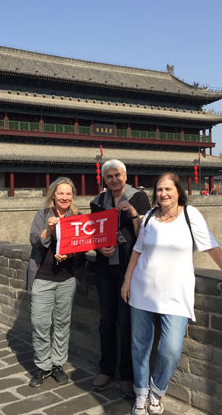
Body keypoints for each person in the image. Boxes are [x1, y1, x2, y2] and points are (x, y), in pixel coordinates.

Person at [121, 172, 222, 415]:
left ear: (178, 191)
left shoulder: (190, 215)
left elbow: (211, 245)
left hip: (176, 294)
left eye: (168, 189)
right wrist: (127, 282)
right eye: (159, 190)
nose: (163, 194)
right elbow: (137, 250)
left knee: (170, 348)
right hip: (142, 290)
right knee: (139, 346)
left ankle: (156, 392)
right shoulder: (148, 219)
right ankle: (141, 394)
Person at [90, 159, 151, 398]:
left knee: (126, 324)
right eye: (109, 177)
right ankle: (106, 369)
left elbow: (144, 235)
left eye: (117, 175)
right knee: (106, 320)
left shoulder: (139, 198)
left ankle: (127, 374)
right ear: (104, 180)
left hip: (130, 270)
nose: (114, 180)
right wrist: (99, 248)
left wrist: (134, 214)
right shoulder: (98, 202)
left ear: (125, 176)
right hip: (106, 269)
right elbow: (92, 233)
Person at [27, 177, 84, 388]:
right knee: (40, 323)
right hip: (43, 276)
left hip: (66, 278)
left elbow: (82, 248)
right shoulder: (43, 216)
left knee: (62, 323)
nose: (65, 197)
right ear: (53, 195)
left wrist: (68, 256)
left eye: (68, 194)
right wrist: (49, 230)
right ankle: (43, 366)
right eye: (61, 193)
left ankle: (58, 364)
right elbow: (35, 241)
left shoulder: (77, 217)